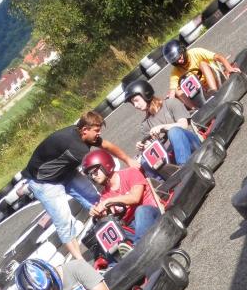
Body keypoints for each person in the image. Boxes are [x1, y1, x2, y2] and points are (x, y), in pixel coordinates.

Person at [19, 111, 139, 261]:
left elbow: (107, 146)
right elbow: (98, 173)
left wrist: (128, 160)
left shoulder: (84, 135)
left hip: (65, 171)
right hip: (44, 182)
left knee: (96, 200)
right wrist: (119, 187)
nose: (99, 133)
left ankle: (120, 234)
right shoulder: (75, 146)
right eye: (96, 130)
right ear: (85, 130)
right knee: (63, 220)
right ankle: (80, 261)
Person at [82, 149, 162, 243]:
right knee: (109, 230)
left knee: (140, 211)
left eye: (95, 172)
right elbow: (107, 216)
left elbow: (135, 198)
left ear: (106, 165)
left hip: (152, 214)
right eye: (90, 175)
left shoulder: (131, 172)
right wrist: (97, 213)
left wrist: (109, 201)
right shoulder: (104, 196)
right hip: (132, 227)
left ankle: (138, 247)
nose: (93, 177)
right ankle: (131, 248)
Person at [124, 79, 202, 165]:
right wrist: (145, 147)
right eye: (133, 103)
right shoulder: (145, 125)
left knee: (174, 131)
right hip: (170, 155)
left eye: (136, 100)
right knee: (143, 161)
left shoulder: (171, 103)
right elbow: (154, 150)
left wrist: (162, 127)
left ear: (145, 94)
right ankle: (171, 172)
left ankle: (184, 167)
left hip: (192, 143)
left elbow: (184, 125)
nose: (135, 105)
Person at [162, 38, 241, 104]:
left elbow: (218, 57)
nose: (179, 61)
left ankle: (214, 92)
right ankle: (196, 109)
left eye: (179, 57)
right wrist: (170, 101)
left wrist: (229, 68)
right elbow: (172, 91)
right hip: (202, 93)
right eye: (176, 60)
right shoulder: (175, 72)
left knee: (202, 64)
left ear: (182, 50)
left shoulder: (195, 52)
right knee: (177, 90)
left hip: (218, 79)